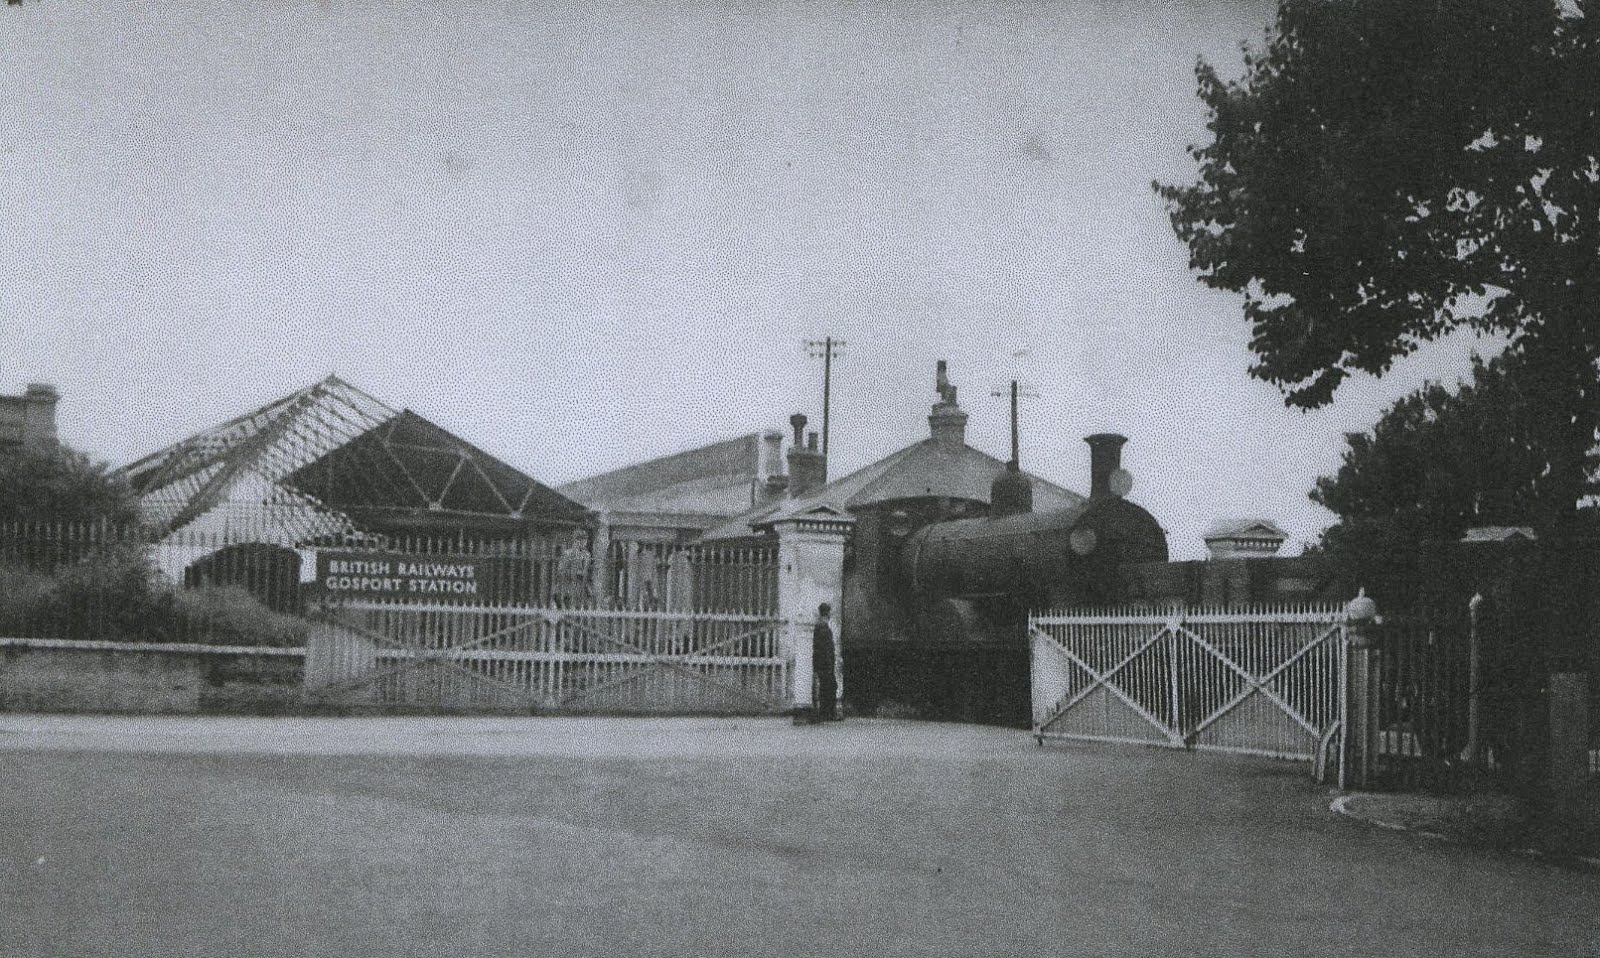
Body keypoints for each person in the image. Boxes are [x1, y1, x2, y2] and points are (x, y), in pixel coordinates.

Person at [811, 602, 838, 723]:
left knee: (826, 688)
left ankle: (826, 713)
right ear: (827, 613)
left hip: (823, 663)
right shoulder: (823, 627)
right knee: (829, 687)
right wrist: (829, 664)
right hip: (825, 664)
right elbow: (825, 649)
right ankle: (828, 713)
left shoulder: (821, 626)